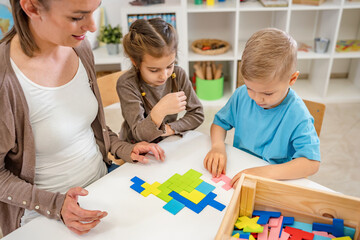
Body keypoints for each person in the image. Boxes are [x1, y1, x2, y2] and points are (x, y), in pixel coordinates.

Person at [0, 0, 165, 236]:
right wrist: (55, 205)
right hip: (41, 215)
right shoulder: (5, 80)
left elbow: (89, 125)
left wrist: (123, 147)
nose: (92, 27)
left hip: (101, 186)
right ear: (32, 8)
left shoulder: (79, 47)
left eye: (94, 12)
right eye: (77, 17)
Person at [203, 28, 320, 187]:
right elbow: (219, 123)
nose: (257, 98)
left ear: (292, 79)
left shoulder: (298, 116)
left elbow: (311, 163)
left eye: (268, 93)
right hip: (241, 168)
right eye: (250, 88)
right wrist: (217, 146)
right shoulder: (242, 95)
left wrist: (265, 172)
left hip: (274, 179)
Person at [117, 18, 204, 146]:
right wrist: (160, 110)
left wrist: (169, 129)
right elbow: (139, 134)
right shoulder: (127, 84)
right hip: (135, 147)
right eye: (154, 70)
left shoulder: (178, 75)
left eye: (169, 66)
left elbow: (197, 114)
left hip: (167, 142)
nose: (164, 76)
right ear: (135, 62)